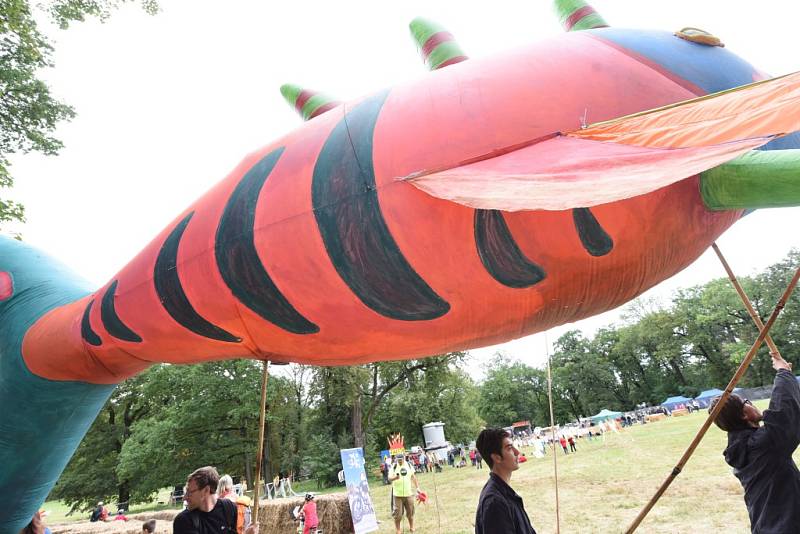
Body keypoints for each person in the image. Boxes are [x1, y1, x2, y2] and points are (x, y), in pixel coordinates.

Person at [710, 356, 800, 533]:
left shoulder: (741, 447)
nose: (751, 404)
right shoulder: (761, 445)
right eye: (747, 402)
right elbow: (783, 414)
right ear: (744, 415)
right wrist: (783, 373)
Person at [474, 428, 536, 534]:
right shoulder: (495, 502)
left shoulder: (503, 492)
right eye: (509, 448)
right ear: (497, 457)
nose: (517, 452)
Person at [173, 466, 258, 534]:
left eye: (189, 492)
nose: (184, 498)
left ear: (206, 490)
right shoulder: (184, 521)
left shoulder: (229, 508)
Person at [388, 454, 420, 534]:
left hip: (408, 493)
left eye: (401, 460)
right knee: (397, 514)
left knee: (410, 512)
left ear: (404, 458)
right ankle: (398, 530)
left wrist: (417, 488)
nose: (400, 461)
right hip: (397, 495)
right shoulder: (394, 466)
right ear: (396, 459)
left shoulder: (408, 465)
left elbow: (413, 477)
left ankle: (412, 527)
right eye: (398, 460)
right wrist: (395, 478)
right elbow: (389, 478)